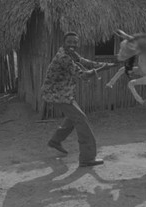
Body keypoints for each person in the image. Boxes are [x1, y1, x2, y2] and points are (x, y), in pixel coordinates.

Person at [41, 31, 117, 167]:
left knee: (73, 117)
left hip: (63, 94)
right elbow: (83, 75)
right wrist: (101, 69)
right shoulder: (63, 57)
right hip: (57, 95)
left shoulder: (71, 54)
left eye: (75, 42)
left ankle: (55, 140)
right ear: (64, 43)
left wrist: (110, 65)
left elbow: (86, 62)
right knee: (81, 120)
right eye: (69, 42)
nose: (72, 44)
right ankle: (87, 158)